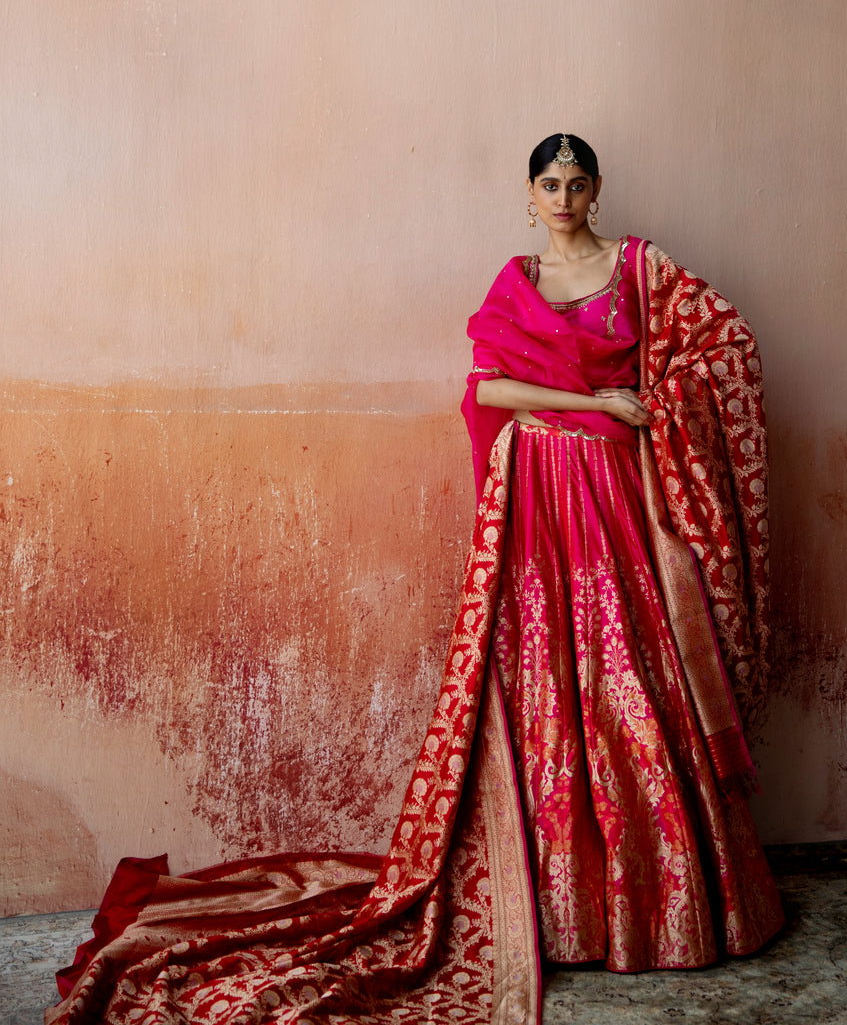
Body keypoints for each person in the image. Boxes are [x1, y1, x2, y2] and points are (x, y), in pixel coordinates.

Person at [47, 135, 782, 1025]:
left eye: (577, 183)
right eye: (548, 183)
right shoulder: (514, 284)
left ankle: (658, 904)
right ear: (527, 194)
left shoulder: (640, 270)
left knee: (631, 675)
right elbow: (489, 391)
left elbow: (724, 346)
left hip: (620, 500)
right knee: (549, 681)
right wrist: (601, 404)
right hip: (540, 499)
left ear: (597, 192)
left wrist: (657, 405)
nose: (562, 195)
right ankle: (555, 909)